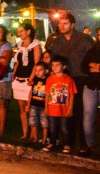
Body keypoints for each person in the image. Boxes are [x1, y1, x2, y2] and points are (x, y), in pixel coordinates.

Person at [45, 12, 94, 153]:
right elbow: (53, 61)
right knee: (66, 112)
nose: (61, 26)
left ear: (73, 25)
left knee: (81, 112)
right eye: (60, 23)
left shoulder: (84, 39)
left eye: (65, 23)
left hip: (82, 79)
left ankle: (84, 144)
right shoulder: (56, 42)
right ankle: (68, 143)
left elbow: (93, 57)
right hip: (64, 81)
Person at [11, 23, 41, 140]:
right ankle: (25, 133)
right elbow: (17, 62)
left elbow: (36, 64)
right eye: (18, 31)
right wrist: (13, 74)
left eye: (21, 31)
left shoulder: (35, 45)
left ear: (28, 32)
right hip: (19, 78)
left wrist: (32, 78)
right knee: (22, 108)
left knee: (31, 108)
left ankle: (34, 134)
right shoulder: (19, 45)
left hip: (29, 79)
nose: (19, 33)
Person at [43, 56, 77, 153]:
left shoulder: (68, 79)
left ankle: (67, 144)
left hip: (64, 109)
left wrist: (70, 109)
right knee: (52, 128)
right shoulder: (49, 79)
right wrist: (46, 107)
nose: (54, 67)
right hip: (52, 108)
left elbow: (72, 94)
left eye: (57, 65)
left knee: (65, 128)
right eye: (53, 65)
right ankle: (52, 143)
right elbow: (47, 94)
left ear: (64, 67)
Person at [79, 34, 100, 157]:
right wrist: (92, 68)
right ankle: (89, 145)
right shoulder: (93, 50)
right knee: (88, 116)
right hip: (91, 86)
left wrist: (95, 65)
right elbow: (83, 66)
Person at [28, 62, 49, 144]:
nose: (37, 72)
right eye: (36, 70)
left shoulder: (48, 80)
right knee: (33, 121)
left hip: (43, 105)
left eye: (40, 70)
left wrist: (47, 106)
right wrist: (28, 104)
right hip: (34, 104)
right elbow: (31, 92)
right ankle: (35, 138)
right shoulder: (35, 79)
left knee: (44, 123)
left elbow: (47, 94)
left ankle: (44, 139)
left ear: (46, 71)